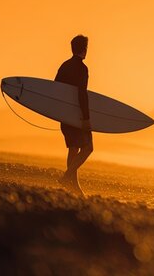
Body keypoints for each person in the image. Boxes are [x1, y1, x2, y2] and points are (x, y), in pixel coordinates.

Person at [54, 35, 93, 194]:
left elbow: (55, 88)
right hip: (77, 116)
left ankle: (74, 188)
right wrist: (86, 118)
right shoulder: (82, 68)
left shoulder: (64, 65)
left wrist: (58, 112)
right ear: (84, 49)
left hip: (65, 115)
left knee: (73, 148)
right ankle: (66, 177)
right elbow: (81, 94)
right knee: (88, 148)